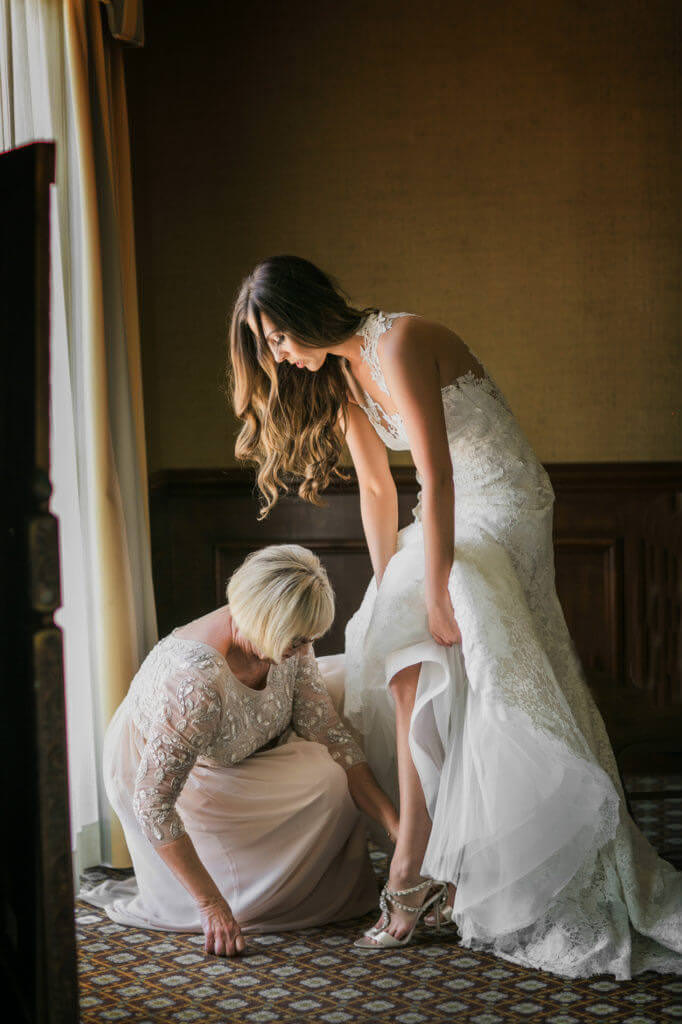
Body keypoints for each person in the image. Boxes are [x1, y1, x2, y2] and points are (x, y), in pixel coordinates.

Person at [228, 254, 682, 977]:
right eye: (268, 346)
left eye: (279, 336)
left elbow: (434, 474)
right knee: (403, 643)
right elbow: (378, 490)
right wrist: (392, 586)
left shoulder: (400, 341)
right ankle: (424, 849)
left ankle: (414, 859)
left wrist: (433, 586)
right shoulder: (342, 378)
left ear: (310, 311)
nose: (279, 355)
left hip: (501, 502)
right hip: (447, 517)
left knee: (432, 621)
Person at [81, 544, 399, 957]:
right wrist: (211, 905)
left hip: (245, 744)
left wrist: (399, 832)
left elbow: (331, 734)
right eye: (296, 639)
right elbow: (152, 802)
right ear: (263, 621)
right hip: (181, 777)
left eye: (309, 638)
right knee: (327, 780)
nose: (303, 648)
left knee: (357, 706)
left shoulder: (286, 638)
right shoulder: (196, 685)